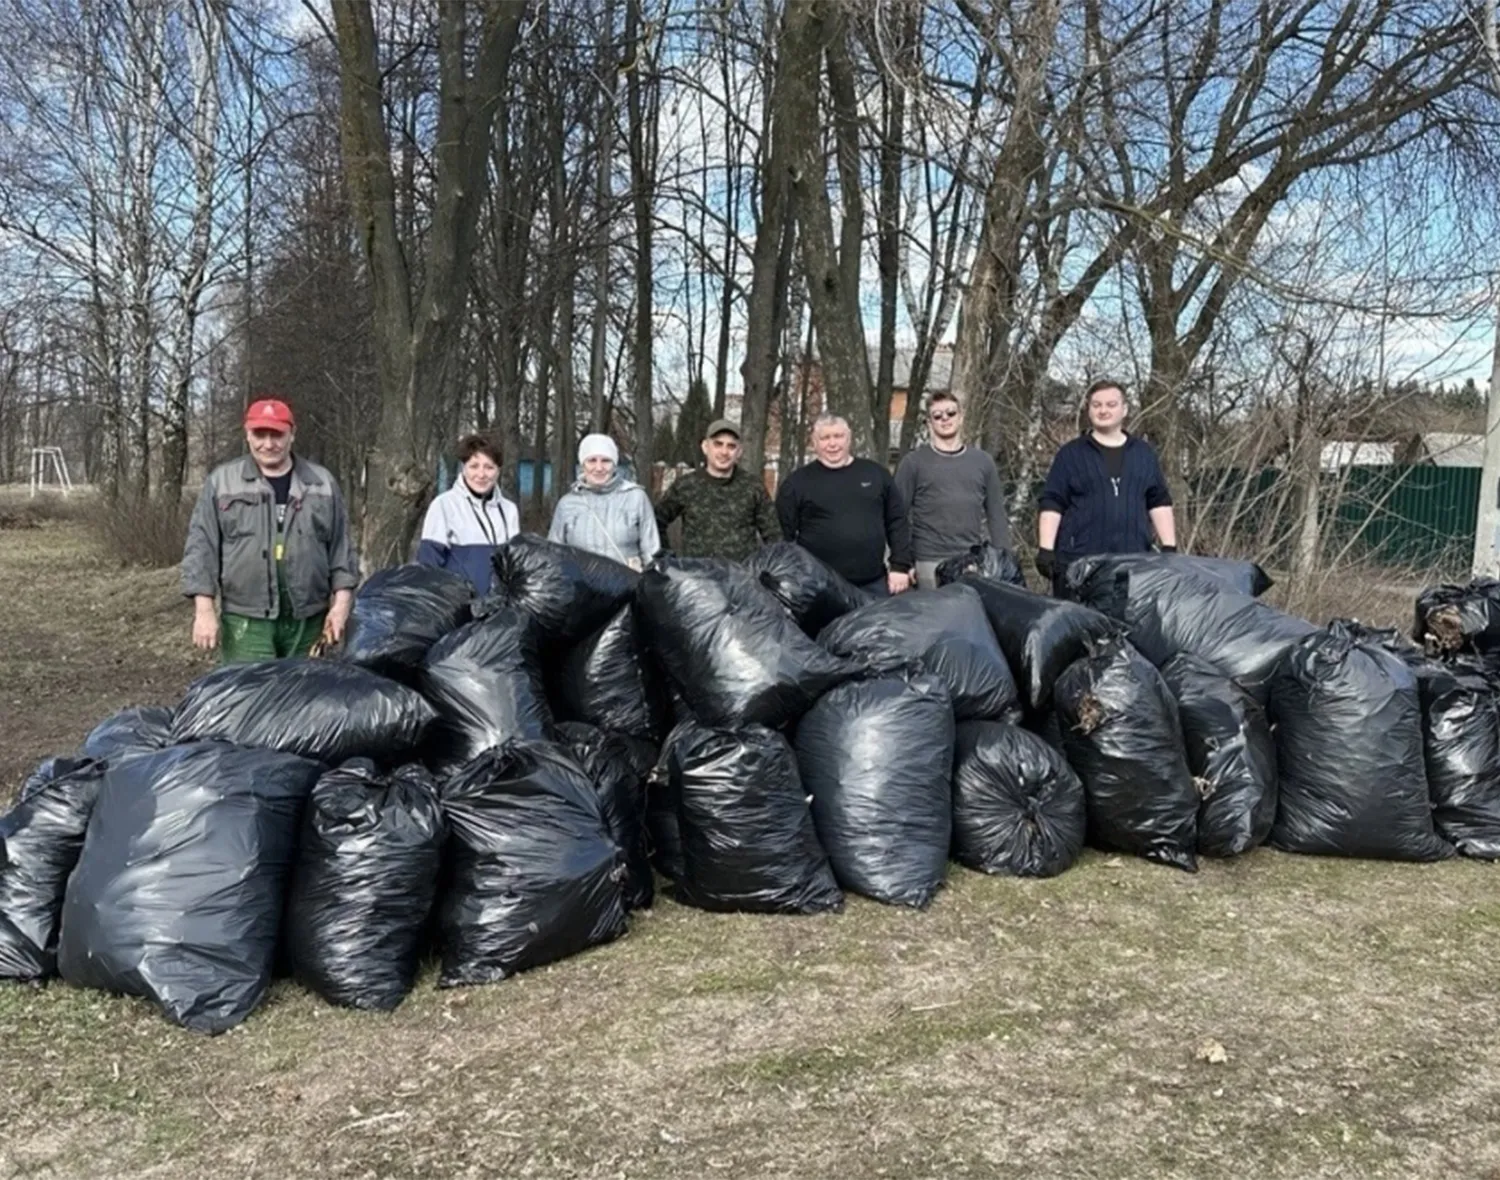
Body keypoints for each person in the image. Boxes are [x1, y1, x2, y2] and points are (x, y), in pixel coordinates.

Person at [181, 397, 360, 661]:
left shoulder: (322, 484)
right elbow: (201, 548)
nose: (268, 444)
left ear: (292, 435)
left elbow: (341, 549)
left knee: (305, 697)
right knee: (251, 698)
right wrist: (204, 610)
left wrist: (341, 607)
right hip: (246, 622)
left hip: (309, 621)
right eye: (259, 434)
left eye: (276, 435)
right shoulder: (222, 482)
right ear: (247, 434)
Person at [1036, 379, 1176, 593]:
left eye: (1111, 405)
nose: (1103, 410)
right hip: (1079, 565)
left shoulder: (1143, 454)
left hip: (1135, 565)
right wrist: (1046, 549)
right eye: (1097, 405)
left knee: (1130, 626)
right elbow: (1052, 502)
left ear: (1124, 409)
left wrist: (1169, 546)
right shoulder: (1071, 455)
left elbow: (1159, 502)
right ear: (1089, 410)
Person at [775, 413, 914, 595]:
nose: (832, 444)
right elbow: (781, 536)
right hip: (818, 586)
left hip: (872, 583)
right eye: (825, 438)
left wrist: (900, 565)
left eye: (838, 436)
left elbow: (897, 521)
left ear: (849, 439)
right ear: (814, 443)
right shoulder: (796, 483)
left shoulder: (876, 474)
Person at [894, 391, 1013, 589]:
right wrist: (901, 563)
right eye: (937, 416)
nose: (945, 419)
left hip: (972, 563)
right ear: (929, 422)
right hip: (928, 563)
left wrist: (1004, 562)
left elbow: (997, 516)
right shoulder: (913, 463)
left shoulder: (983, 462)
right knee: (932, 619)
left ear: (961, 417)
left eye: (950, 413)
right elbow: (897, 517)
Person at [654, 417, 780, 562]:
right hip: (698, 578)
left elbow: (774, 536)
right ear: (705, 447)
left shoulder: (752, 487)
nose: (724, 452)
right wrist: (669, 561)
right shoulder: (686, 485)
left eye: (731, 446)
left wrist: (767, 570)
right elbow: (655, 522)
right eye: (718, 444)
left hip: (741, 579)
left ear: (739, 452)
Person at [416, 433, 520, 594]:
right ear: (463, 467)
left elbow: (516, 566)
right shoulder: (444, 505)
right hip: (459, 610)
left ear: (498, 470)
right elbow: (428, 567)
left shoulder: (509, 510)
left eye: (489, 467)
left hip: (501, 611)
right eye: (474, 466)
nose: (481, 474)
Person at [548, 432, 661, 570]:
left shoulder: (636, 498)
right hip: (581, 588)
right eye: (592, 460)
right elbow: (554, 555)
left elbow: (652, 553)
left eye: (606, 461)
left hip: (628, 587)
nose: (599, 468)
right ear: (583, 464)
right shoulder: (567, 504)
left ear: (614, 464)